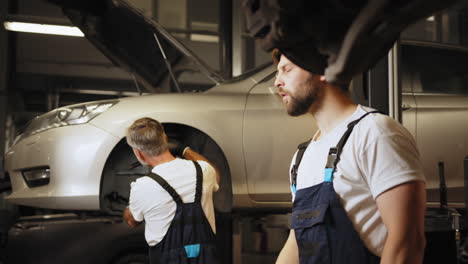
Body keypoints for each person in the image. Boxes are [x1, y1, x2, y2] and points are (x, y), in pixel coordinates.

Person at [272, 48, 426, 264]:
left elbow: (407, 243)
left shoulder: (375, 133)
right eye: (277, 73)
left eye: (287, 70)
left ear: (323, 71)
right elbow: (296, 244)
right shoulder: (302, 157)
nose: (278, 81)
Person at [123, 117, 220, 264]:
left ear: (139, 153)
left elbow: (132, 221)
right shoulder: (203, 170)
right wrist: (184, 150)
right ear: (165, 139)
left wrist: (129, 209)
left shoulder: (142, 186)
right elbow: (216, 176)